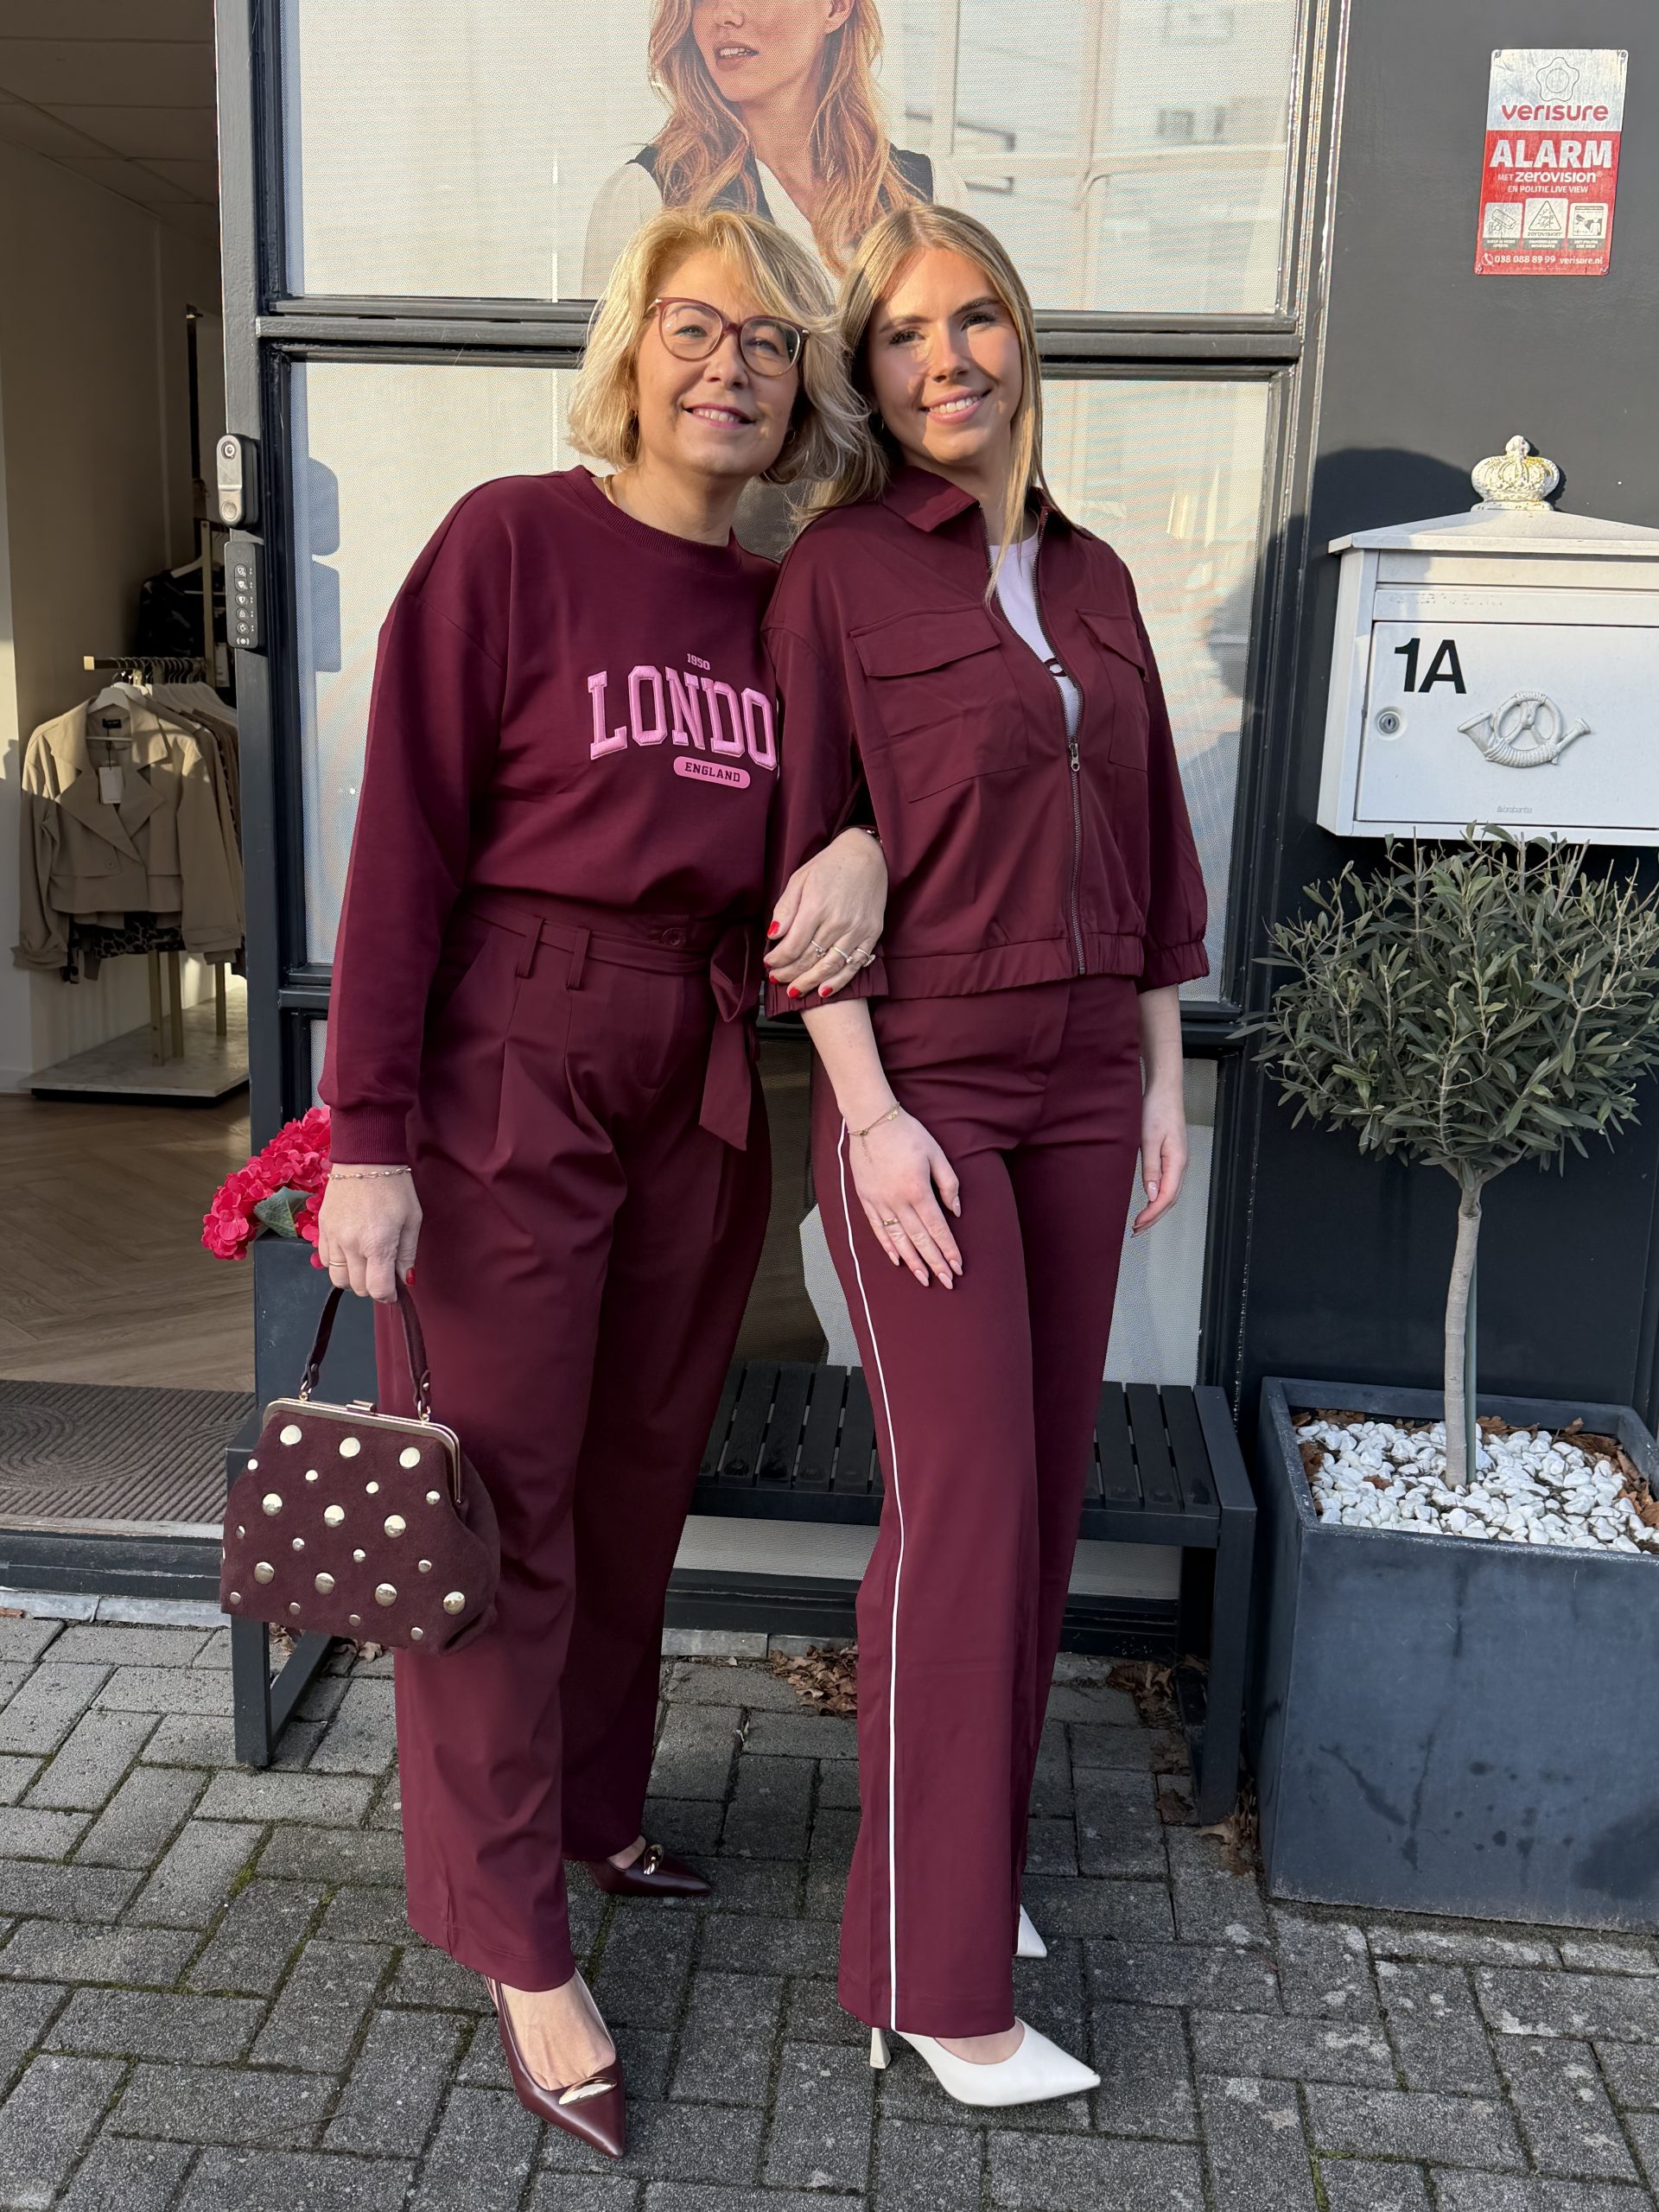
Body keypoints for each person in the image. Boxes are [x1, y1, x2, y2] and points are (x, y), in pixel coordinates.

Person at [315, 207, 881, 2158]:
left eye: (768, 343)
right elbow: (400, 849)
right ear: (632, 349)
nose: (729, 362)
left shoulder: (785, 606)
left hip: (698, 1072)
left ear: (797, 392)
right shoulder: (508, 545)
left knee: (635, 1473)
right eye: (693, 325)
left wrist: (870, 856)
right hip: (513, 1060)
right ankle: (510, 1925)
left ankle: (588, 1803)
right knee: (494, 1499)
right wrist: (368, 1133)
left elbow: (852, 811)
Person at [763, 203, 1209, 2106]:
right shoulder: (842, 577)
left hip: (1090, 1078)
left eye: (976, 320)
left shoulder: (1095, 574)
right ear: (866, 379)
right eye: (900, 337)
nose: (945, 357)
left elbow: (1150, 837)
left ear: (1023, 338)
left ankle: (961, 1869)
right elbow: (791, 870)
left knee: (1025, 1508)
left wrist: (1163, 1066)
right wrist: (861, 1118)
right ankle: (932, 1980)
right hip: (923, 1087)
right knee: (963, 1515)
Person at [582, 0, 971, 293]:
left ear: (835, 8)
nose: (725, 14)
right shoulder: (645, 197)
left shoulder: (931, 192)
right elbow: (608, 393)